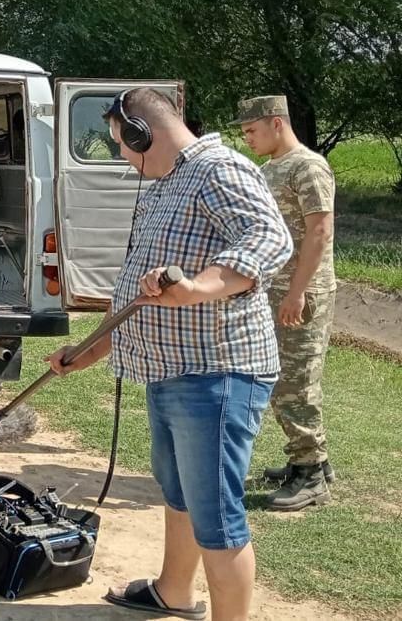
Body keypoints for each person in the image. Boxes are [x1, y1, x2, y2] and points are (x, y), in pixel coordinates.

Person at [47, 88, 291, 621]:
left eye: (121, 144)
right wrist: (89, 350)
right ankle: (173, 593)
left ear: (141, 132)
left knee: (217, 518)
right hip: (172, 372)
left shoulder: (219, 169)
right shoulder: (164, 183)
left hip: (217, 374)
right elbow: (141, 297)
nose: (121, 156)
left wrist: (199, 287)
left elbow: (269, 239)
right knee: (179, 494)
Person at [236, 94, 337, 511]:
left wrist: (297, 293)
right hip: (276, 290)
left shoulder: (308, 166)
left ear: (276, 123)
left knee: (295, 386)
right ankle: (310, 461)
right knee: (278, 380)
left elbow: (319, 232)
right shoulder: (269, 169)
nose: (248, 140)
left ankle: (311, 472)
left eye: (252, 131)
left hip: (303, 292)